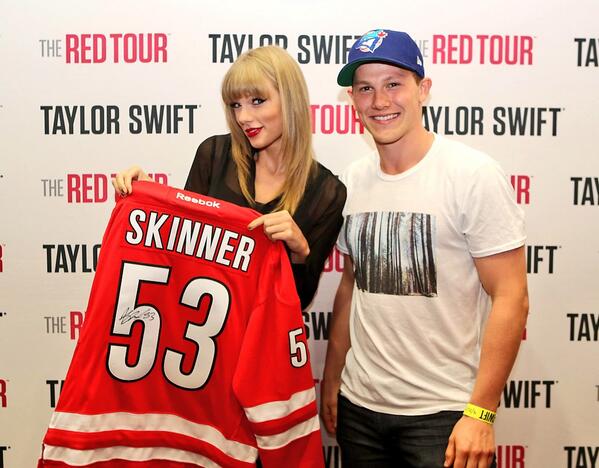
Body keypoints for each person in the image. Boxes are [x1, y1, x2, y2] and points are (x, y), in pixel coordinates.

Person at [320, 29, 528, 468]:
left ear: (424, 89)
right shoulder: (351, 181)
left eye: (393, 83)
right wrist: (333, 381)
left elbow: (512, 297)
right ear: (353, 99)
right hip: (361, 409)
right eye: (365, 88)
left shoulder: (471, 175)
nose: (379, 101)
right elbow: (350, 287)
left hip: (445, 416)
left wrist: (481, 412)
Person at [113, 45, 346, 311]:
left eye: (257, 101)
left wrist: (300, 251)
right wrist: (152, 200)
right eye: (236, 105)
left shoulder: (327, 192)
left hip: (264, 342)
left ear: (290, 100)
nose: (243, 117)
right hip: (201, 332)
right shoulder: (213, 156)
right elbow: (182, 253)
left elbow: (298, 301)